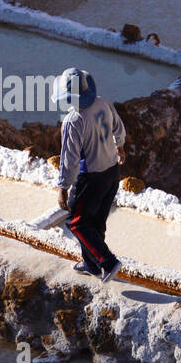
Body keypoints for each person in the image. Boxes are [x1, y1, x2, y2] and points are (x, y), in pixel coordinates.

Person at [52, 67, 125, 282]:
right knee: (96, 222)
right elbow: (118, 128)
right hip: (112, 172)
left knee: (77, 223)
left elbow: (70, 159)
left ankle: (108, 261)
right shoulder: (103, 103)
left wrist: (62, 187)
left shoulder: (73, 121)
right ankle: (91, 264)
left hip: (91, 178)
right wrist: (120, 147)